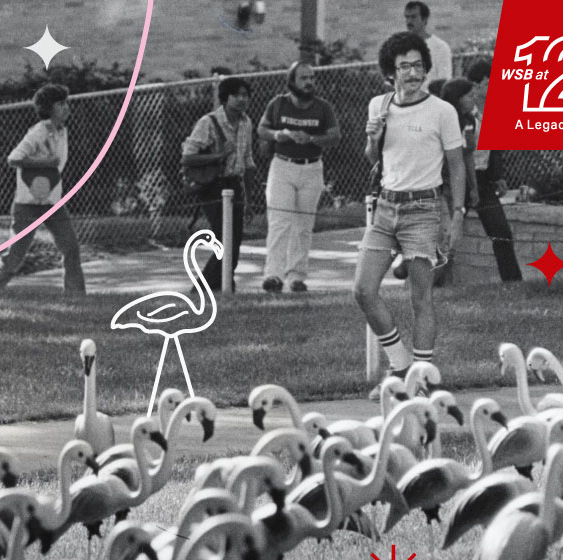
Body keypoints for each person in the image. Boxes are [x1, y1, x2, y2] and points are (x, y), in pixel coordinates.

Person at [357, 31, 466, 400]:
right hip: (386, 207)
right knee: (363, 290)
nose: (412, 73)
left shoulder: (442, 111)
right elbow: (375, 158)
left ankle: (420, 381)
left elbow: (457, 165)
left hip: (424, 209)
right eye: (404, 66)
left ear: (426, 68)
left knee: (421, 298)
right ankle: (401, 367)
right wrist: (373, 138)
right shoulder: (380, 105)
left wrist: (458, 213)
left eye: (417, 65)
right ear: (391, 71)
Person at [0, 83, 85, 295]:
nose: (66, 107)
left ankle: (76, 297)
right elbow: (14, 159)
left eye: (67, 103)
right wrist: (45, 164)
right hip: (28, 205)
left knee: (71, 248)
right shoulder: (39, 132)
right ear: (48, 108)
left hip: (53, 203)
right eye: (60, 104)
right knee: (16, 254)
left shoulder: (61, 131)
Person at [256, 61, 340, 293]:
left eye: (311, 77)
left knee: (303, 225)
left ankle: (296, 276)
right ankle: (273, 275)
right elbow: (262, 130)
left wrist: (312, 139)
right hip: (283, 166)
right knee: (280, 222)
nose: (309, 82)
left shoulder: (323, 108)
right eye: (303, 78)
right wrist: (278, 134)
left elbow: (334, 136)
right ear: (292, 82)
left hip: (311, 168)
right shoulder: (278, 104)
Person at [181, 76, 257, 292]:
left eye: (245, 95)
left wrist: (250, 199)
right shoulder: (209, 122)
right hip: (214, 186)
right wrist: (217, 156)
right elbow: (187, 158)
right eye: (236, 95)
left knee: (235, 241)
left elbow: (248, 161)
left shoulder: (246, 123)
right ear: (225, 98)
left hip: (235, 183)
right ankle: (203, 289)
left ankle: (224, 286)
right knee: (225, 241)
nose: (242, 100)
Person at [464, 58, 523, 282]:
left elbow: (494, 151)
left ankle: (513, 284)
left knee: (502, 233)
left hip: (482, 180)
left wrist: (497, 177)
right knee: (445, 233)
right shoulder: (463, 113)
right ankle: (430, 283)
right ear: (481, 84)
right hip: (460, 181)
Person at [404, 2, 453, 84]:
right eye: (407, 17)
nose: (409, 21)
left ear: (425, 19)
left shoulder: (440, 47)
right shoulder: (401, 47)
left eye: (413, 17)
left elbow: (445, 81)